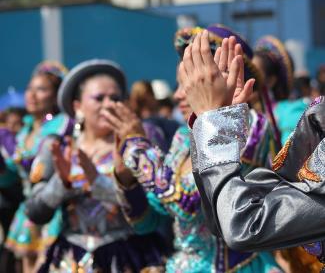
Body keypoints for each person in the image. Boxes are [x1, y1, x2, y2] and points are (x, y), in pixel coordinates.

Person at [103, 28, 282, 272]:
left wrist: (136, 147)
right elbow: (149, 221)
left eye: (187, 82)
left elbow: (186, 202)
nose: (178, 95)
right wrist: (125, 178)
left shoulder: (251, 126)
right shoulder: (181, 135)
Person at [179, 30, 325, 271]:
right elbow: (222, 216)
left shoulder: (262, 123)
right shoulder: (318, 116)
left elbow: (244, 225)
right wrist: (216, 124)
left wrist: (215, 124)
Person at [25, 59, 167, 273]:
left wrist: (100, 183)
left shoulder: (139, 141)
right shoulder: (57, 146)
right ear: (77, 106)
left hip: (130, 258)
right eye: (99, 98)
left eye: (115, 98)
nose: (108, 104)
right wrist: (61, 184)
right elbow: (34, 212)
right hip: (70, 260)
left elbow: (159, 205)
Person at [4, 61, 72, 273]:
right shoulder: (24, 129)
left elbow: (40, 167)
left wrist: (9, 146)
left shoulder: (61, 125)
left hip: (51, 209)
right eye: (30, 89)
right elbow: (13, 175)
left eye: (41, 89)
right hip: (27, 210)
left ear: (55, 95)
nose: (32, 95)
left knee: (46, 265)